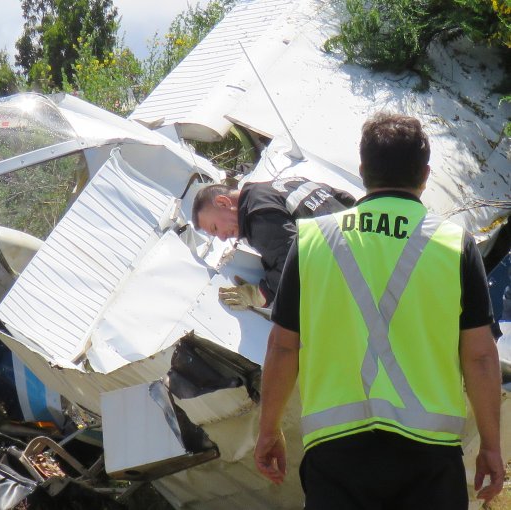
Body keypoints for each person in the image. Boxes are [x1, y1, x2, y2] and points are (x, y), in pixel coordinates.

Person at [254, 113, 503, 508]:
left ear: (362, 170)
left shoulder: (313, 241)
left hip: (336, 452)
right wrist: (491, 446)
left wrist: (268, 430)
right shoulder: (455, 245)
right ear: (425, 174)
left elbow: (283, 347)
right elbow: (480, 355)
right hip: (429, 455)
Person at [192, 177, 355, 310]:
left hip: (352, 273)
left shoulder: (256, 216)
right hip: (368, 245)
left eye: (215, 228)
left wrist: (261, 294)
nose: (221, 237)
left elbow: (294, 260)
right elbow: (345, 198)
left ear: (223, 202)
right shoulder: (286, 183)